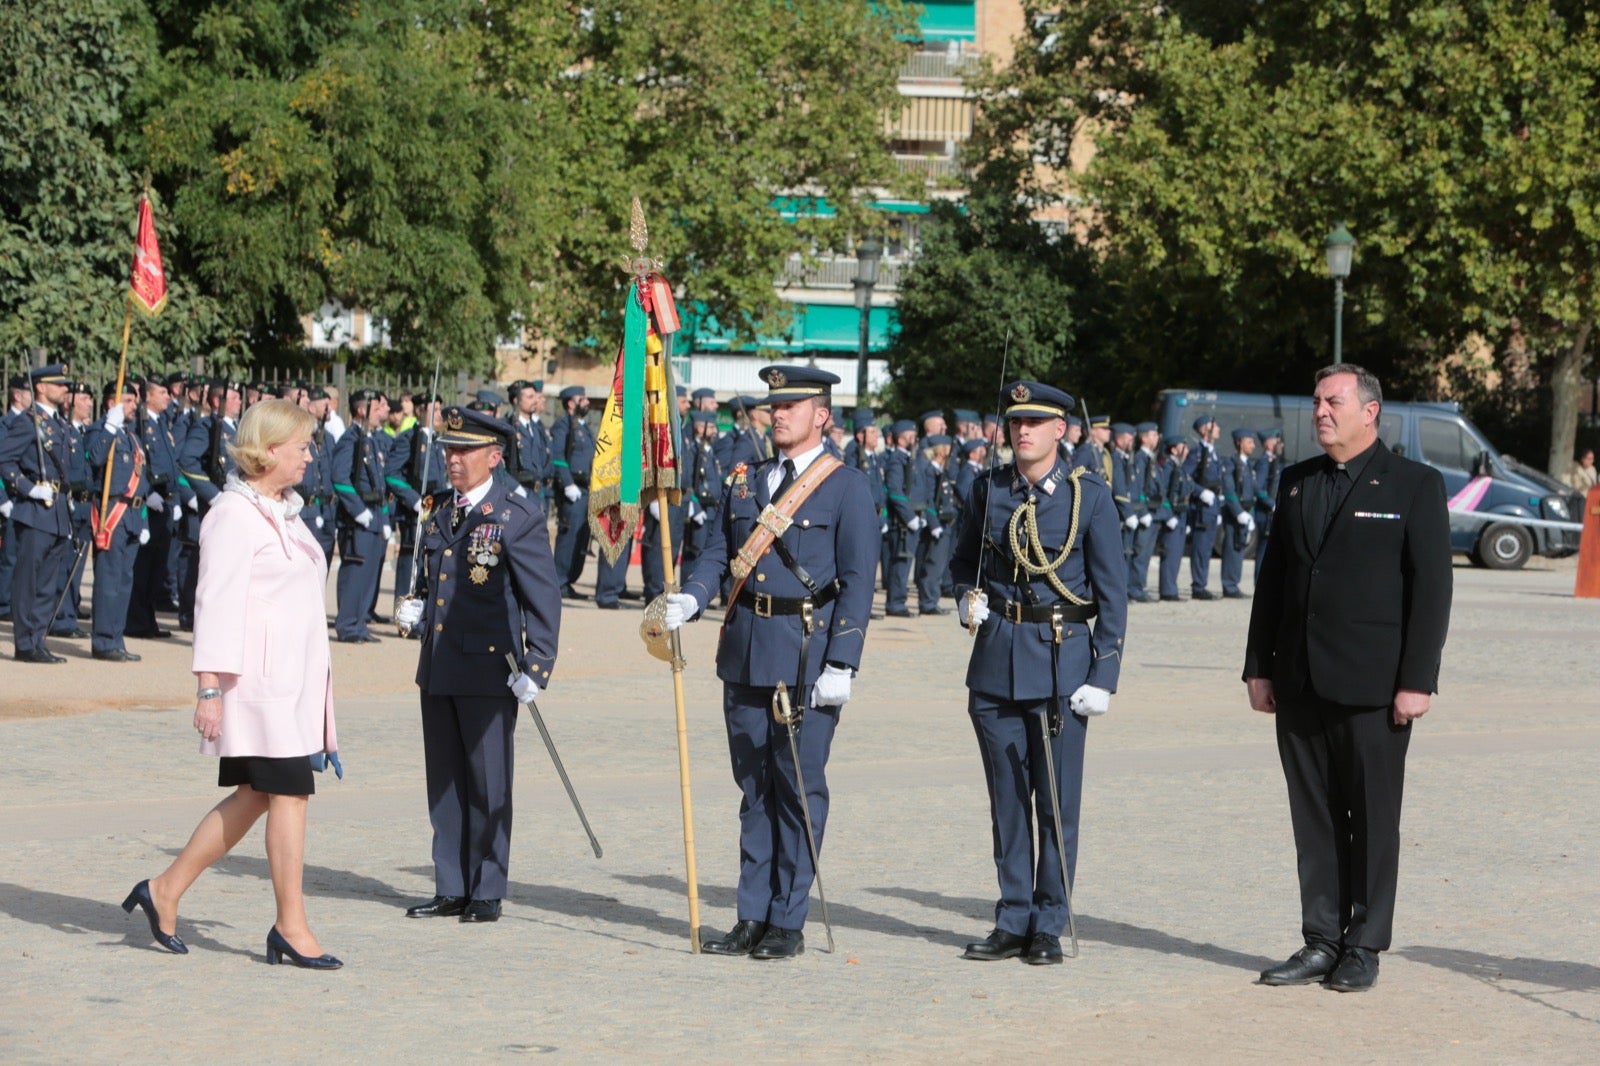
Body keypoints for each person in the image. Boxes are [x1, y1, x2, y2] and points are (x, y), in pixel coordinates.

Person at [1244, 364, 1452, 993]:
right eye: (1315, 402)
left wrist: (1417, 680)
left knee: (1373, 817)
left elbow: (1432, 591)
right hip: (1300, 681)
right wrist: (1258, 667)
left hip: (1374, 687)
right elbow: (1273, 583)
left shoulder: (1415, 485)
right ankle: (1320, 938)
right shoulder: (1297, 483)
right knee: (1314, 817)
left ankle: (1363, 944)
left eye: (1333, 401)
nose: (1320, 412)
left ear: (1371, 411)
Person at [661, 365, 878, 960]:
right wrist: (694, 596)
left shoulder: (846, 487)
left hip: (806, 656)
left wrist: (843, 662)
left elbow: (858, 583)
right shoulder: (744, 480)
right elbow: (718, 553)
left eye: (793, 405)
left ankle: (788, 917)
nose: (777, 413)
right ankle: (751, 914)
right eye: (773, 405)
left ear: (822, 415)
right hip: (745, 650)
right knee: (753, 787)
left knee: (798, 788)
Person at [121, 398, 342, 968]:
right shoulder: (233, 514)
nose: (309, 456)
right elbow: (213, 603)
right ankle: (291, 926)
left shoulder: (285, 511)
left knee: (256, 796)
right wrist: (210, 688)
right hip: (257, 690)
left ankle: (164, 889)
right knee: (290, 792)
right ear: (268, 452)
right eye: (300, 447)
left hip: (290, 689)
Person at [950, 380, 1126, 966]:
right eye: (1015, 421)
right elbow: (961, 560)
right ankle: (1013, 915)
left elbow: (1113, 593)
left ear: (1061, 430)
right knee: (1007, 802)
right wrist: (964, 596)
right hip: (997, 660)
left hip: (1060, 662)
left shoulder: (1088, 497)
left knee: (1054, 802)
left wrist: (1104, 673)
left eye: (1035, 422)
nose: (1022, 431)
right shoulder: (988, 489)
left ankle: (1049, 920)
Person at [395, 406, 561, 924]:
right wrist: (415, 608)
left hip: (491, 668)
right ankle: (451, 884)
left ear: (495, 455)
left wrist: (537, 666)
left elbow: (543, 598)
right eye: (449, 448)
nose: (453, 459)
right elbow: (433, 579)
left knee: (488, 781)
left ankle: (486, 887)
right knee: (444, 780)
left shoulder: (517, 512)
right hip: (440, 663)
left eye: (464, 450)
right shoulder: (439, 509)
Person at [0, 364, 76, 662]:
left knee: (48, 582)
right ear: (41, 387)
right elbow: (4, 461)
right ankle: (24, 643)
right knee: (28, 580)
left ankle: (38, 638)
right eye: (59, 384)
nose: (64, 389)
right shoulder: (28, 422)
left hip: (56, 511)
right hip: (34, 510)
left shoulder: (58, 423)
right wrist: (28, 488)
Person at [87, 379, 150, 662]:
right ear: (112, 403)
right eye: (128, 400)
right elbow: (95, 459)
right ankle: (103, 641)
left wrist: (145, 520)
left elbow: (142, 481)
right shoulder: (102, 430)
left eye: (135, 401)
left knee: (124, 581)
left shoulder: (132, 437)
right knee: (108, 580)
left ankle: (116, 637)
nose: (133, 406)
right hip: (112, 512)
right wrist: (108, 428)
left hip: (134, 515)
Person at [330, 389, 391, 643]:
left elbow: (380, 485)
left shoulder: (370, 439)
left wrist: (384, 518)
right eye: (376, 409)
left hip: (375, 514)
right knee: (355, 572)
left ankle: (360, 624)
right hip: (358, 519)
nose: (380, 414)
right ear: (361, 410)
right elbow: (340, 478)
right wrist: (359, 511)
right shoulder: (350, 439)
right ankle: (347, 625)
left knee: (369, 574)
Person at [550, 385, 595, 598]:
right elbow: (558, 455)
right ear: (570, 403)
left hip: (586, 490)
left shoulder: (584, 427)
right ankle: (559, 581)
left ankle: (569, 580)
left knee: (581, 538)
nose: (586, 401)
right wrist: (567, 483)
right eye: (582, 398)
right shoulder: (563, 425)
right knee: (568, 538)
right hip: (573, 489)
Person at [882, 419, 919, 616]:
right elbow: (894, 491)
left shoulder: (906, 458)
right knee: (900, 564)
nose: (914, 439)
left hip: (906, 521)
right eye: (911, 436)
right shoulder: (897, 459)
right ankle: (895, 603)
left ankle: (898, 601)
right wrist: (909, 516)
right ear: (902, 438)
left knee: (904, 565)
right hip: (901, 523)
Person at [1218, 428, 1258, 599]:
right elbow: (1229, 490)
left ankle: (1233, 583)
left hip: (1246, 511)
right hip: (1235, 513)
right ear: (1240, 443)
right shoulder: (1231, 463)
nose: (1253, 446)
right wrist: (1238, 512)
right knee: (1232, 547)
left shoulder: (1247, 464)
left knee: (1239, 548)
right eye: (1250, 442)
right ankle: (1229, 585)